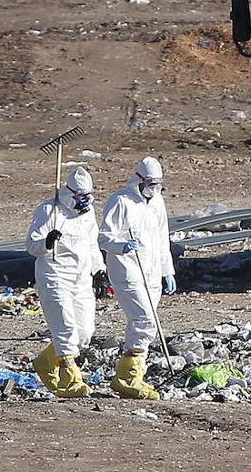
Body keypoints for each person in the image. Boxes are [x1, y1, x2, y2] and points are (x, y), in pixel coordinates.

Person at [99, 157, 176, 400]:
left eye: (158, 184)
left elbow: (162, 237)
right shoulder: (121, 201)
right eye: (150, 184)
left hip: (152, 271)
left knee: (144, 322)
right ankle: (127, 377)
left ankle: (132, 375)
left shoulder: (157, 202)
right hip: (128, 270)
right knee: (145, 321)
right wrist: (121, 246)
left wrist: (167, 269)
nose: (154, 189)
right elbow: (104, 237)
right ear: (139, 181)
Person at [26, 166, 102, 398]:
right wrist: (47, 243)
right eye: (80, 196)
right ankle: (69, 378)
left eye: (88, 196)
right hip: (55, 276)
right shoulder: (49, 211)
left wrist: (99, 270)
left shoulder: (87, 214)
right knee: (66, 326)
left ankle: (46, 361)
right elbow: (31, 245)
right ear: (70, 194)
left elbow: (92, 244)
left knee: (84, 332)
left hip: (81, 278)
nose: (84, 201)